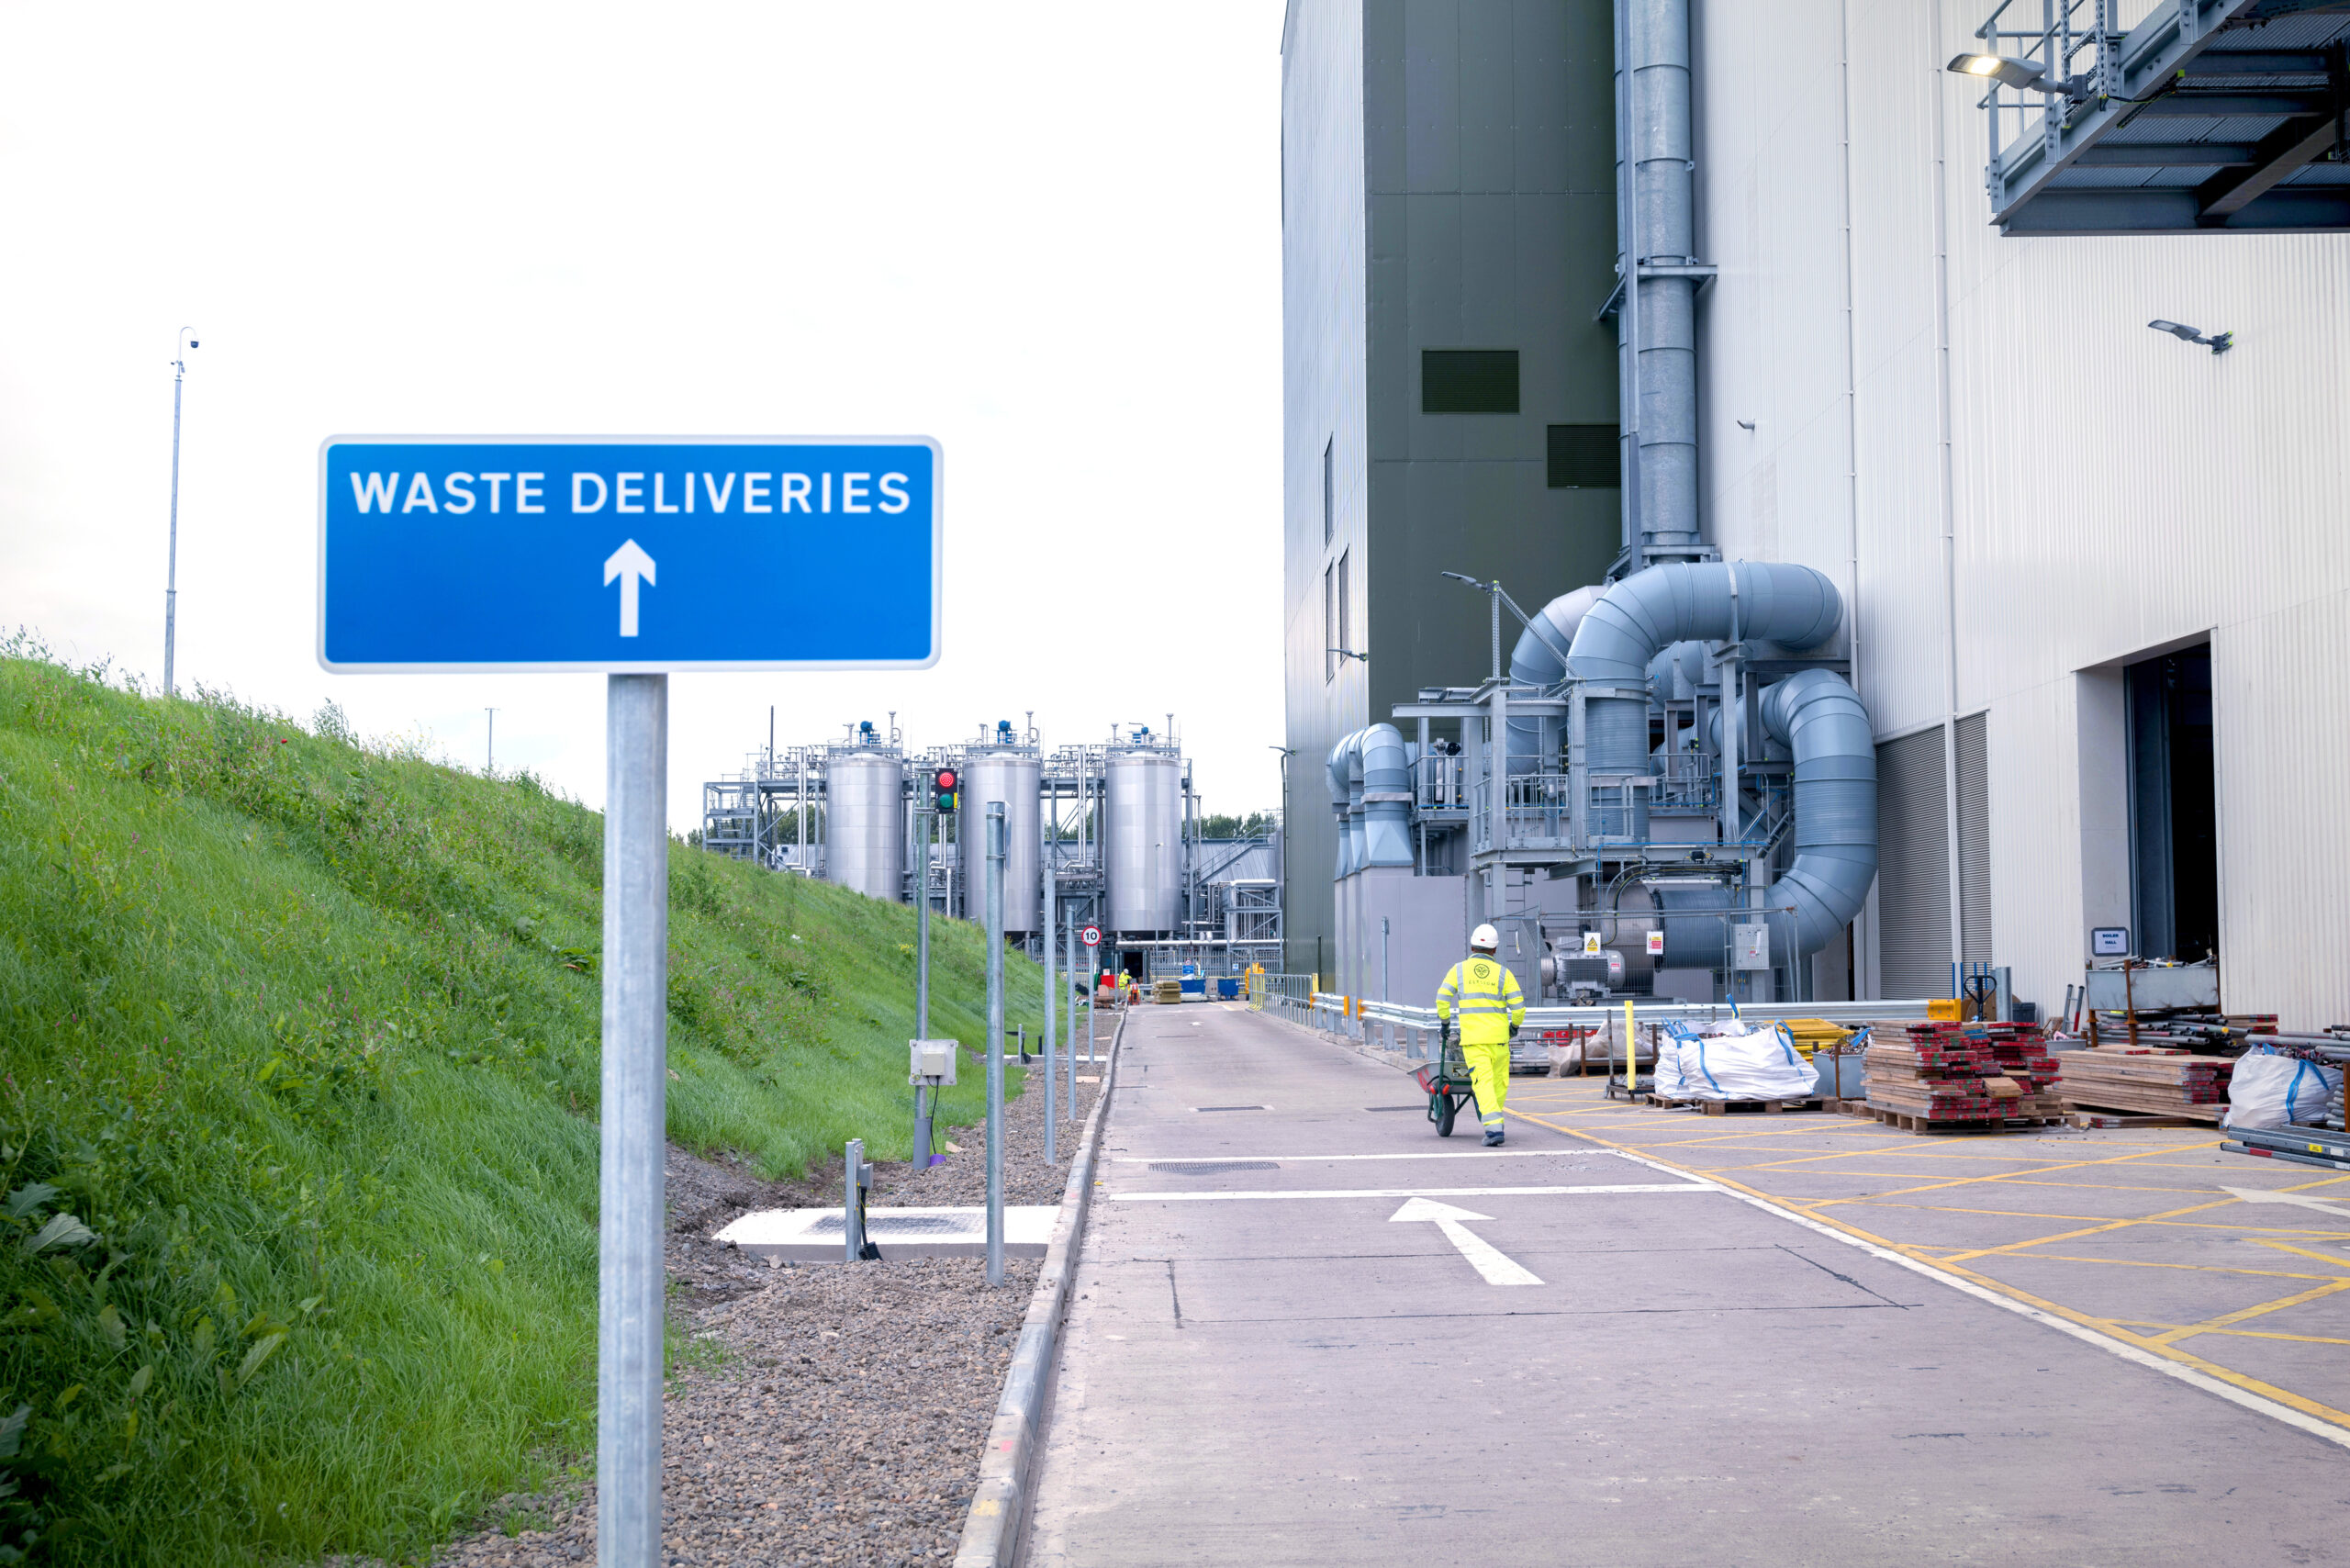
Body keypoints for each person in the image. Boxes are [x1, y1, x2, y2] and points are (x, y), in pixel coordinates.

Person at [1435, 924, 1526, 1147]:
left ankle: (1494, 1129)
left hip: (1474, 1041)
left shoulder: (1458, 970)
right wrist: (1514, 1026)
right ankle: (1495, 1122)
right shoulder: (1504, 973)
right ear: (1494, 950)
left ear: (1472, 947)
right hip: (1500, 1040)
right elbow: (1519, 1008)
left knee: (1482, 1083)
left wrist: (1446, 1023)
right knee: (1498, 1084)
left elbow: (1442, 999)